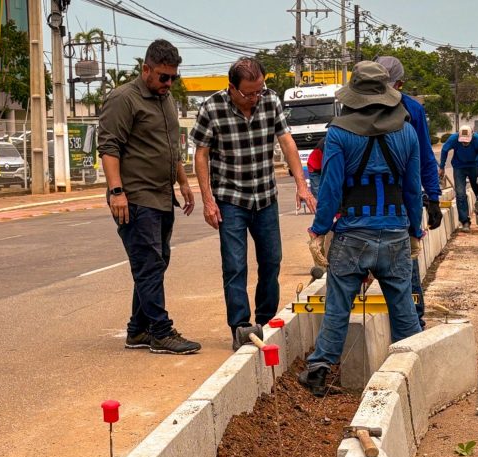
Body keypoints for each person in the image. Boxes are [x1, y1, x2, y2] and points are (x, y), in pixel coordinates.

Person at [298, 61, 424, 395]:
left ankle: (319, 371)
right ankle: (410, 375)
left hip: (353, 235)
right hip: (396, 232)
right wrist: (415, 232)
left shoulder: (339, 134)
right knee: (403, 308)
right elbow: (412, 189)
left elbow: (331, 190)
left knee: (338, 305)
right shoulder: (406, 132)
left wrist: (319, 231)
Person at [191, 57, 316, 350]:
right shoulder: (212, 107)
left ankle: (266, 318)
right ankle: (241, 326)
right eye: (249, 93)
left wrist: (301, 184)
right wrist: (208, 201)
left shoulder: (270, 101)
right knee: (235, 265)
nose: (255, 97)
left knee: (271, 261)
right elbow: (201, 155)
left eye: (259, 90)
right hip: (230, 199)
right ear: (232, 88)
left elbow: (286, 141)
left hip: (264, 197)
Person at [98, 39, 201, 355]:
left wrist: (183, 182)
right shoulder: (123, 99)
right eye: (162, 77)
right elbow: (109, 148)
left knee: (156, 263)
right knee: (149, 263)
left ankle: (137, 329)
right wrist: (117, 192)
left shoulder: (165, 99)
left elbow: (171, 147)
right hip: (135, 197)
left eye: (173, 77)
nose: (168, 83)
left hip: (161, 195)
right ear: (145, 69)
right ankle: (160, 331)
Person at [376, 55, 443, 330]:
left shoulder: (413, 111)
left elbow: (425, 157)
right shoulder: (353, 109)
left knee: (406, 262)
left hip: (400, 200)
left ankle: (414, 319)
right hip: (368, 202)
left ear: (400, 84)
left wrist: (434, 197)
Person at [439, 124, 478, 233]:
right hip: (459, 167)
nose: (465, 143)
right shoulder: (453, 139)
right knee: (460, 194)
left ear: (472, 135)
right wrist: (442, 167)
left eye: (467, 141)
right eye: (463, 141)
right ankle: (465, 221)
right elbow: (444, 150)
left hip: (475, 166)